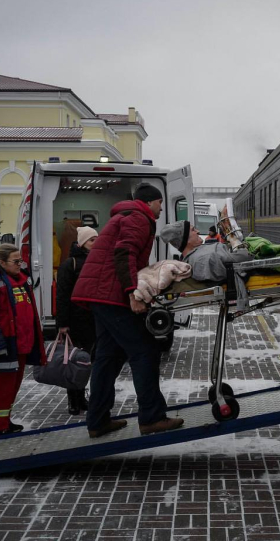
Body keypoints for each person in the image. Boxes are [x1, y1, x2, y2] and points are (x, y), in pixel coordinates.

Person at [71, 183, 184, 438]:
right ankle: (152, 418)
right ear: (151, 202)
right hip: (111, 295)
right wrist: (132, 292)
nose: (161, 208)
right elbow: (125, 253)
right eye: (160, 204)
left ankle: (98, 421)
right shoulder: (138, 217)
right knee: (145, 351)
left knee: (108, 358)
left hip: (101, 294)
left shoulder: (127, 215)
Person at [0, 243, 46, 435]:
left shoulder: (20, 280)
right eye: (16, 261)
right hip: (2, 346)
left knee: (11, 387)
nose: (20, 264)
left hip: (19, 345)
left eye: (21, 260)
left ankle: (5, 420)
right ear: (2, 262)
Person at [55, 226, 98, 415]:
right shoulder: (69, 264)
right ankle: (73, 399)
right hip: (75, 321)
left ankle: (82, 397)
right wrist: (62, 324)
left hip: (93, 320)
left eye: (97, 239)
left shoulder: (98, 261)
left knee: (87, 362)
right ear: (82, 243)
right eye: (92, 240)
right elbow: (62, 296)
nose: (95, 243)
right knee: (74, 362)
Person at [159, 220, 253, 282]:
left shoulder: (194, 256)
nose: (198, 231)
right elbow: (245, 257)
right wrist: (233, 240)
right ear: (186, 239)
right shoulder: (206, 258)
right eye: (193, 230)